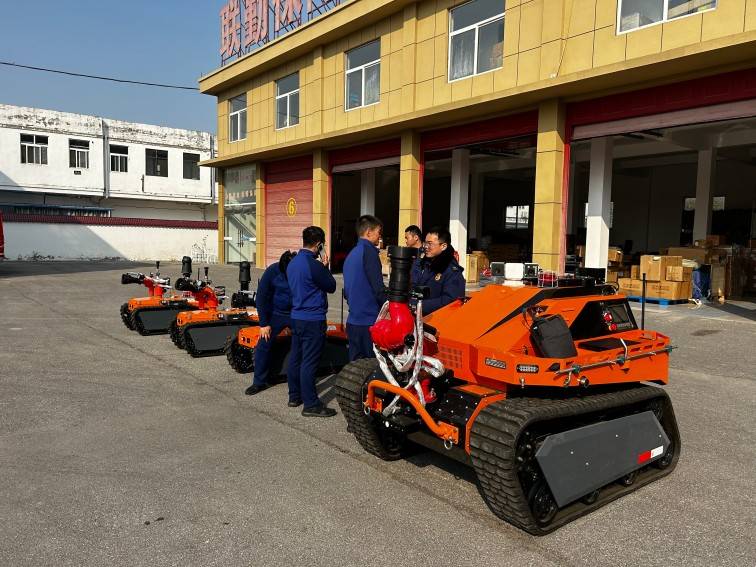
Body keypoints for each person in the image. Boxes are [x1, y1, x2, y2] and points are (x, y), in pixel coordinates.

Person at [286, 226, 338, 417]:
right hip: (313, 318)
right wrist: (325, 267)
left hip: (296, 316)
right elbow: (331, 286)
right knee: (309, 361)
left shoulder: (293, 263)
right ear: (319, 244)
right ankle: (311, 404)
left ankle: (294, 395)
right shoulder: (314, 265)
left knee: (296, 357)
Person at [244, 251, 295, 396]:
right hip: (276, 314)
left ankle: (300, 381)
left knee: (304, 343)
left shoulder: (300, 269)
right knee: (263, 344)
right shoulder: (272, 271)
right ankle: (259, 382)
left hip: (297, 313)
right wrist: (264, 324)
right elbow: (261, 297)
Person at [343, 215, 386, 361]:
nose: (380, 236)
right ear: (368, 232)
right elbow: (378, 289)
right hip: (368, 322)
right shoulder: (369, 253)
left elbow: (347, 291)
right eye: (378, 232)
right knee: (372, 367)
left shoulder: (352, 253)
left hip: (353, 321)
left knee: (355, 367)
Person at [411, 226, 466, 315]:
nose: (426, 247)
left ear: (443, 246)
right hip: (418, 316)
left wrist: (419, 305)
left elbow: (452, 301)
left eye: (430, 243)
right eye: (425, 243)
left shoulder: (452, 272)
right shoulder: (424, 263)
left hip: (436, 319)